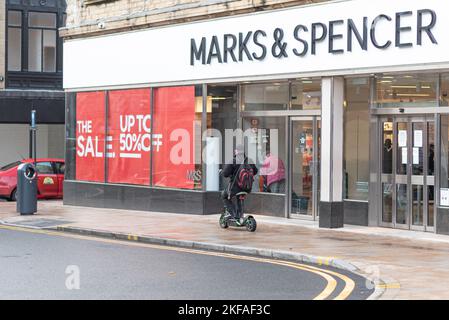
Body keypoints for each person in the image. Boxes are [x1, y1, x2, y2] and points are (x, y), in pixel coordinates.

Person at [221, 144, 258, 220]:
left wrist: (231, 175)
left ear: (236, 151)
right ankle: (240, 215)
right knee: (239, 198)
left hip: (235, 188)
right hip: (247, 188)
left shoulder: (233, 161)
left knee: (224, 196)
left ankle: (234, 214)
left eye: (235, 150)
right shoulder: (249, 160)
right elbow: (255, 171)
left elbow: (225, 174)